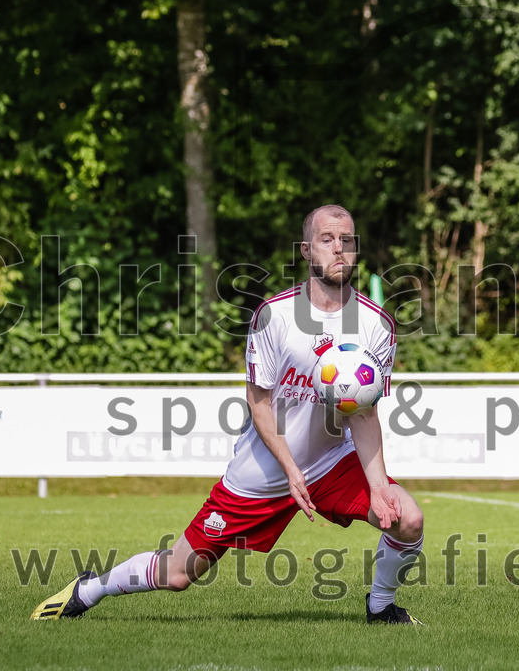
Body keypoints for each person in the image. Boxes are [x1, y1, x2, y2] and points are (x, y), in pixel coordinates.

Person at [31, 204, 425, 625]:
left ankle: (380, 607)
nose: (339, 249)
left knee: (407, 519)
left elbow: (363, 415)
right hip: (266, 468)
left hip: (331, 461)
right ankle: (90, 588)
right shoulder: (274, 316)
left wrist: (379, 486)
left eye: (347, 240)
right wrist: (290, 468)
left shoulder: (377, 325)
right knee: (181, 573)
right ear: (307, 250)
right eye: (327, 240)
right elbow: (259, 402)